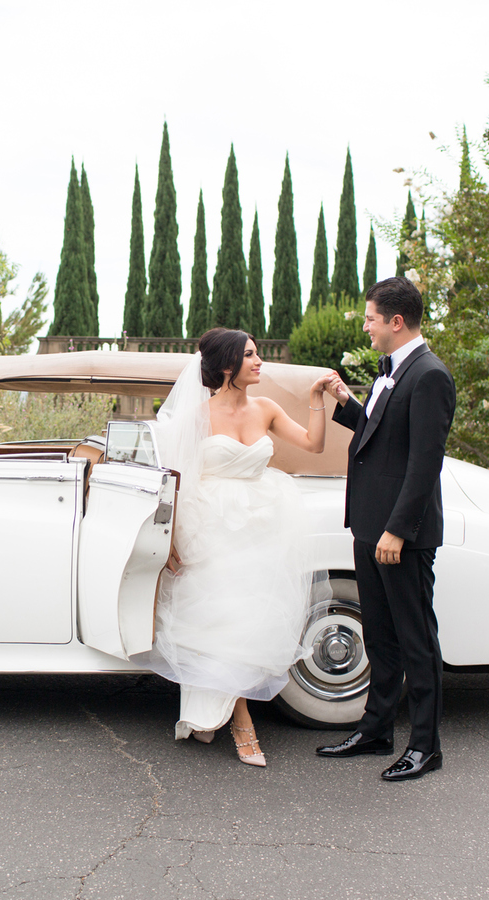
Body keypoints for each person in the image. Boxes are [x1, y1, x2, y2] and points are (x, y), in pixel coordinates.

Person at [143, 328, 333, 767]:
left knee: (251, 618)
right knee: (224, 619)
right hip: (210, 525)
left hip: (263, 522)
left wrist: (317, 399)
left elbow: (314, 444)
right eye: (250, 355)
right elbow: (174, 480)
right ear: (228, 365)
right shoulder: (196, 416)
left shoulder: (266, 408)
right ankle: (242, 724)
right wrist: (168, 539)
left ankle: (212, 712)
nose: (259, 361)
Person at [315, 276, 457, 782]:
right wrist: (344, 399)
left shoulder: (430, 375)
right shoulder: (391, 372)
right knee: (379, 636)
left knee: (416, 641)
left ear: (397, 322)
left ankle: (425, 747)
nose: (366, 326)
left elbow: (424, 462)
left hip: (402, 535)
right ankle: (375, 731)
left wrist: (398, 530)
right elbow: (381, 434)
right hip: (369, 527)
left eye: (371, 318)